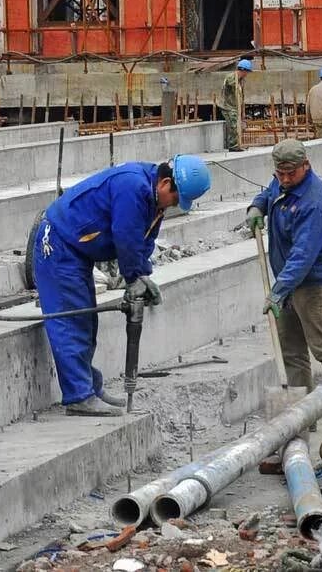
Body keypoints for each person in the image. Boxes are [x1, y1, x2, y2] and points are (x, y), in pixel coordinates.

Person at [30, 154, 212, 416]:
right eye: (174, 199)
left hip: (76, 250)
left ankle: (89, 387)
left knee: (86, 321)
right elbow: (126, 236)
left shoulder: (153, 198)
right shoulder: (133, 187)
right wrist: (132, 277)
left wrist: (142, 275)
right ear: (165, 182)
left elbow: (144, 239)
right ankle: (78, 396)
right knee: (71, 321)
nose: (173, 206)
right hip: (58, 244)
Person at [243, 139, 322, 433]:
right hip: (288, 282)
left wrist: (278, 290)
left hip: (312, 284)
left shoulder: (315, 202)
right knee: (292, 351)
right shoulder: (282, 184)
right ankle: (303, 415)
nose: (285, 179)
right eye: (280, 174)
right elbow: (269, 193)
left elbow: (303, 255)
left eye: (291, 174)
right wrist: (256, 206)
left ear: (305, 166)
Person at [220, 58, 252, 151]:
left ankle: (237, 144)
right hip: (228, 107)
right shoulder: (231, 78)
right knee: (234, 126)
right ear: (242, 70)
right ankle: (233, 146)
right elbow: (230, 84)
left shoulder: (241, 80)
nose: (247, 74)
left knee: (237, 126)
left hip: (235, 106)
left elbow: (240, 95)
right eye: (247, 72)